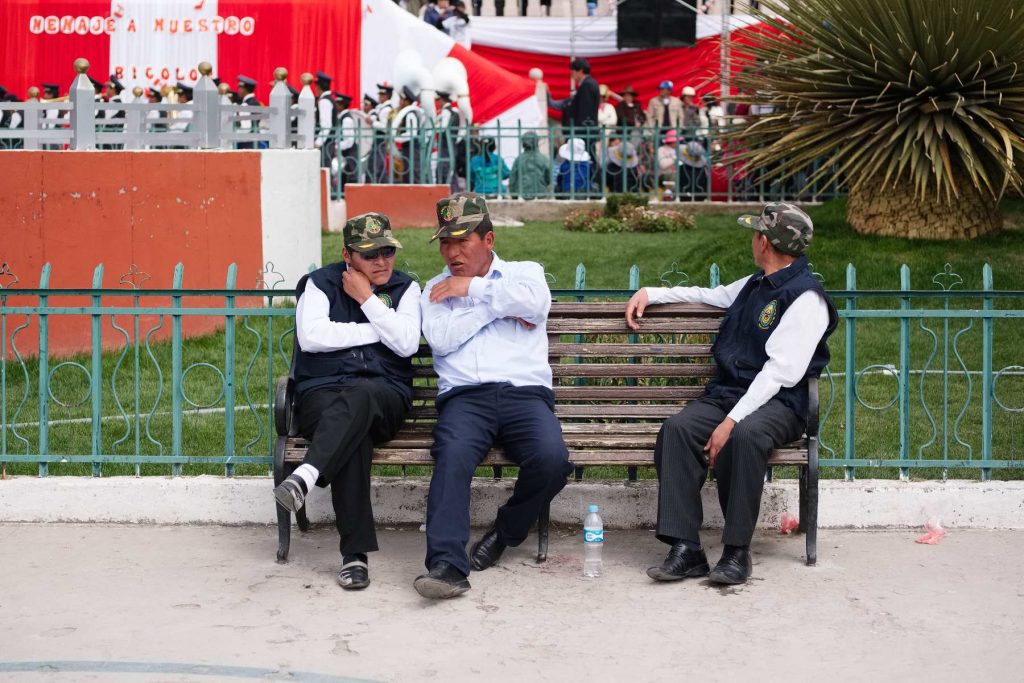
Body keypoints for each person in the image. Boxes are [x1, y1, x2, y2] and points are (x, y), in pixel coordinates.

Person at [625, 203, 837, 585]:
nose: (752, 239)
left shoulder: (806, 299)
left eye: (756, 233)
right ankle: (686, 548)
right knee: (677, 430)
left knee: (744, 437)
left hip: (780, 403)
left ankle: (737, 552)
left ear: (766, 242)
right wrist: (652, 292)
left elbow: (779, 373)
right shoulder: (757, 283)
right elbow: (713, 295)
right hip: (732, 394)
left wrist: (730, 421)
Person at [415, 193, 573, 599]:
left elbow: (536, 305)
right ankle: (447, 566)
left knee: (553, 460)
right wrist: (497, 305)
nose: (452, 253)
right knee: (451, 458)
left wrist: (473, 289)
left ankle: (505, 533)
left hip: (525, 395)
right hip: (466, 398)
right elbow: (443, 340)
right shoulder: (434, 288)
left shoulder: (525, 272)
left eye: (462, 240)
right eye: (446, 243)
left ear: (488, 239)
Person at [274, 213, 422, 590]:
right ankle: (353, 558)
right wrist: (378, 330)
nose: (382, 261)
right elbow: (312, 337)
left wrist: (367, 299)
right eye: (370, 254)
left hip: (384, 394)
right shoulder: (319, 284)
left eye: (387, 251)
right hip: (321, 394)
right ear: (347, 255)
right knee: (352, 432)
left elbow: (406, 343)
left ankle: (305, 476)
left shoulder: (408, 289)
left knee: (362, 396)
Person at [547, 57, 599, 137]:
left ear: (580, 71)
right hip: (585, 129)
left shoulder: (587, 85)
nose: (571, 76)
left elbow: (584, 109)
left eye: (572, 73)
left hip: (584, 130)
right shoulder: (589, 83)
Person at [508, 130, 551, 199]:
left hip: (521, 195)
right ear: (536, 142)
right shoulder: (543, 159)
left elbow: (512, 178)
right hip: (540, 194)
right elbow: (549, 178)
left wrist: (513, 194)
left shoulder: (519, 159)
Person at [394, 86, 423, 183]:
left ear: (406, 101)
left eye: (401, 99)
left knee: (413, 174)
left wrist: (397, 138)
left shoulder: (410, 114)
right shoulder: (406, 113)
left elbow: (412, 133)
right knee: (407, 173)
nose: (399, 102)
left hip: (412, 148)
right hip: (407, 148)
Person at [367, 82, 395, 182]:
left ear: (386, 96)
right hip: (379, 141)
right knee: (378, 167)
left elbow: (385, 127)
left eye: (382, 95)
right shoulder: (382, 108)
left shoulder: (386, 109)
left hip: (381, 141)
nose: (380, 97)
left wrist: (373, 122)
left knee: (375, 167)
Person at [314, 71, 336, 165]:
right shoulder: (328, 99)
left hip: (326, 143)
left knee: (324, 169)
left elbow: (326, 125)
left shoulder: (324, 101)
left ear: (319, 87)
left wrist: (318, 142)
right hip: (328, 141)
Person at [236, 75, 260, 149]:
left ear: (245, 89)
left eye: (240, 88)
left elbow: (245, 128)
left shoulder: (245, 105)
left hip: (246, 144)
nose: (238, 90)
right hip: (255, 141)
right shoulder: (256, 102)